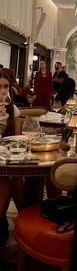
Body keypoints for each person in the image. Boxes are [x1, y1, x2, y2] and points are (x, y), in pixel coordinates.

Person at [0, 71, 21, 246]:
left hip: (4, 160)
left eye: (6, 87)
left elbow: (18, 139)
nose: (2, 90)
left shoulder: (12, 109)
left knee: (13, 181)